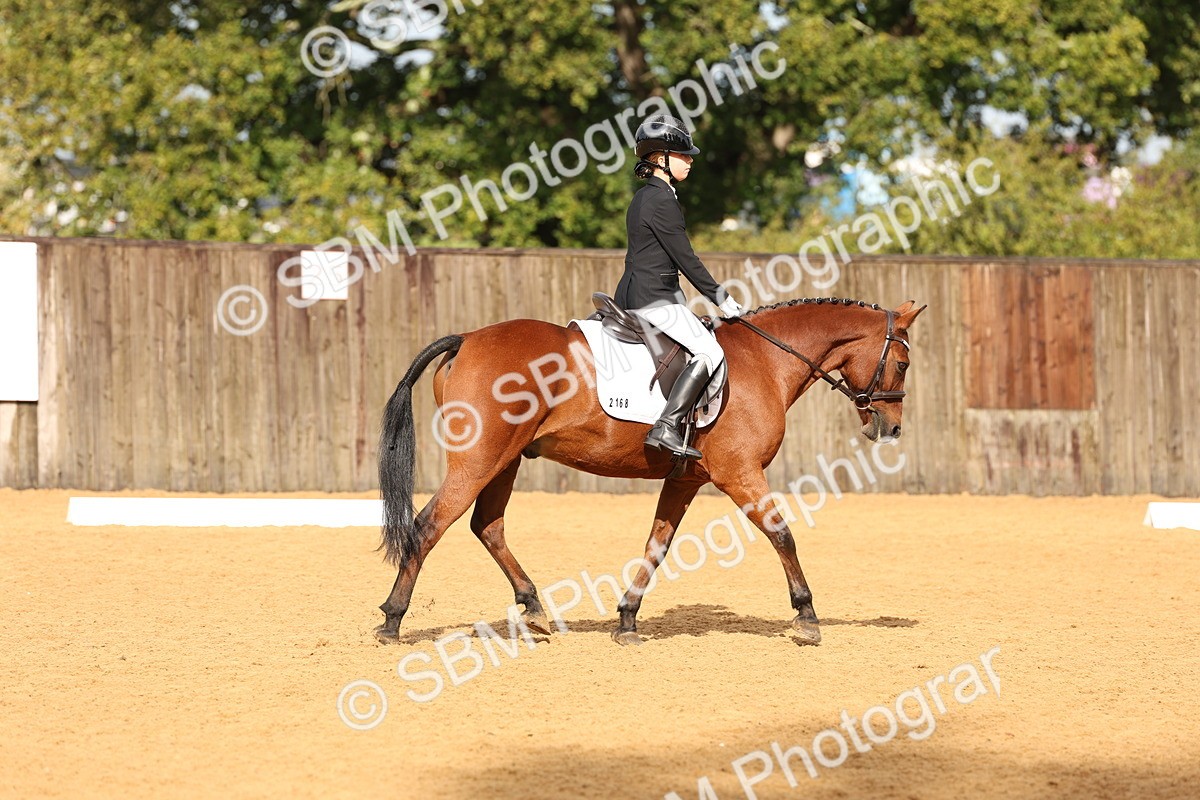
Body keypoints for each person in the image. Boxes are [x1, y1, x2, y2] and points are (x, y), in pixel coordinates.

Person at [614, 113, 743, 460]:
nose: (690, 161)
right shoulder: (661, 200)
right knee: (710, 352)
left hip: (633, 293)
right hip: (654, 299)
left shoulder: (644, 196)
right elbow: (685, 257)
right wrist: (721, 298)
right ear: (661, 159)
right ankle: (668, 425)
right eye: (684, 155)